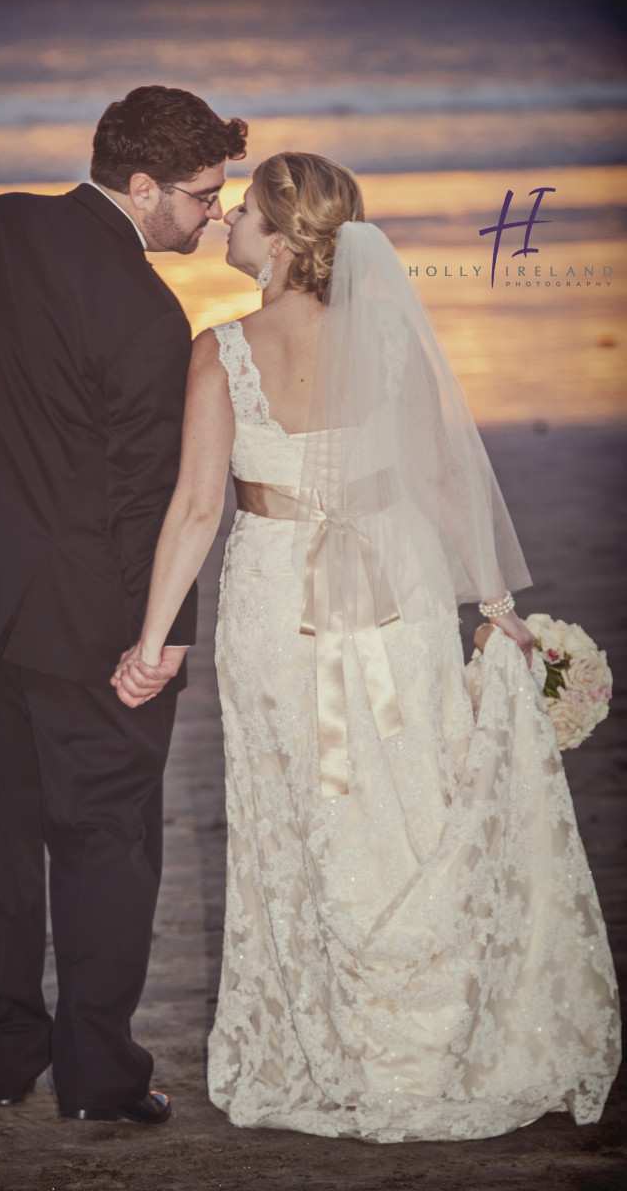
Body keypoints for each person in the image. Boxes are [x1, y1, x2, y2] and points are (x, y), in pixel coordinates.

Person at [112, 152, 620, 1141]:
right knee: (414, 792)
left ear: (277, 235)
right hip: (402, 585)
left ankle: (341, 1045)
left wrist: (150, 638)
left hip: (278, 601)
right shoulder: (387, 337)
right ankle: (435, 1039)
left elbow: (199, 507)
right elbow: (438, 479)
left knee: (300, 805)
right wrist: (497, 600)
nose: (226, 226)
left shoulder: (221, 350)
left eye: (243, 214)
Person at [0, 86, 247, 1123]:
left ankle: (1, 1049)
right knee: (106, 835)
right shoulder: (146, 309)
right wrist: (154, 638)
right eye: (202, 196)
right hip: (81, 614)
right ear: (140, 186)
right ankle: (100, 1076)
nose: (214, 214)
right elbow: (141, 497)